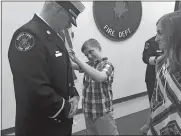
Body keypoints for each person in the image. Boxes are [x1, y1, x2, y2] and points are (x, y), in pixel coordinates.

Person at [8, 1, 85, 136]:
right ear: (56, 9)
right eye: (69, 18)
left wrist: (74, 95)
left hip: (58, 126)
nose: (68, 25)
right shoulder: (29, 36)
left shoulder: (54, 36)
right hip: (40, 128)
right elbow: (33, 87)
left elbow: (64, 73)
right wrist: (65, 108)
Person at [69, 38, 119, 135]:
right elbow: (72, 65)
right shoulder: (89, 65)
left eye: (91, 52)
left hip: (102, 113)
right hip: (89, 112)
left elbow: (100, 77)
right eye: (86, 55)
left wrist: (77, 60)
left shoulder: (107, 65)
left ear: (99, 48)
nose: (89, 56)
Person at [147, 10, 181, 135]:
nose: (156, 39)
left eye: (160, 33)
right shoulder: (163, 63)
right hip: (159, 125)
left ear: (175, 34)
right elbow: (157, 100)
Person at [140, 36, 163, 134]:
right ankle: (151, 126)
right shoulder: (151, 42)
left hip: (169, 76)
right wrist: (161, 59)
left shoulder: (175, 40)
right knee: (154, 102)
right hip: (153, 78)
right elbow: (145, 58)